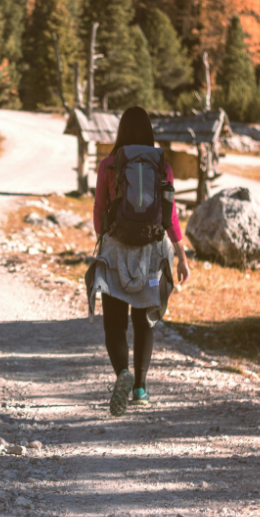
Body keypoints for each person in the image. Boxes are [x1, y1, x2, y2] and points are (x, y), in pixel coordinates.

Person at [89, 106, 190, 417]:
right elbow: (170, 216)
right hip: (152, 254)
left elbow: (99, 210)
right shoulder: (162, 167)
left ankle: (122, 373)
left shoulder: (109, 164)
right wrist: (181, 257)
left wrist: (105, 243)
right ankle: (141, 389)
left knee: (114, 322)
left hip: (116, 252)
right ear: (148, 132)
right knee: (146, 319)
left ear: (121, 131)